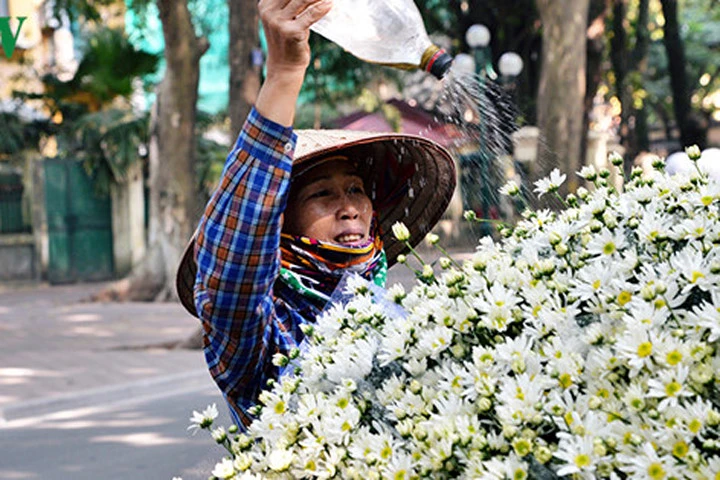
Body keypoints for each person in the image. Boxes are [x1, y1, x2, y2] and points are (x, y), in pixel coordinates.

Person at [175, 0, 456, 427]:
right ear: (280, 224)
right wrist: (285, 75)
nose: (350, 209)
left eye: (357, 190)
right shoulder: (263, 334)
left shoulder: (403, 315)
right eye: (322, 195)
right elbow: (236, 256)